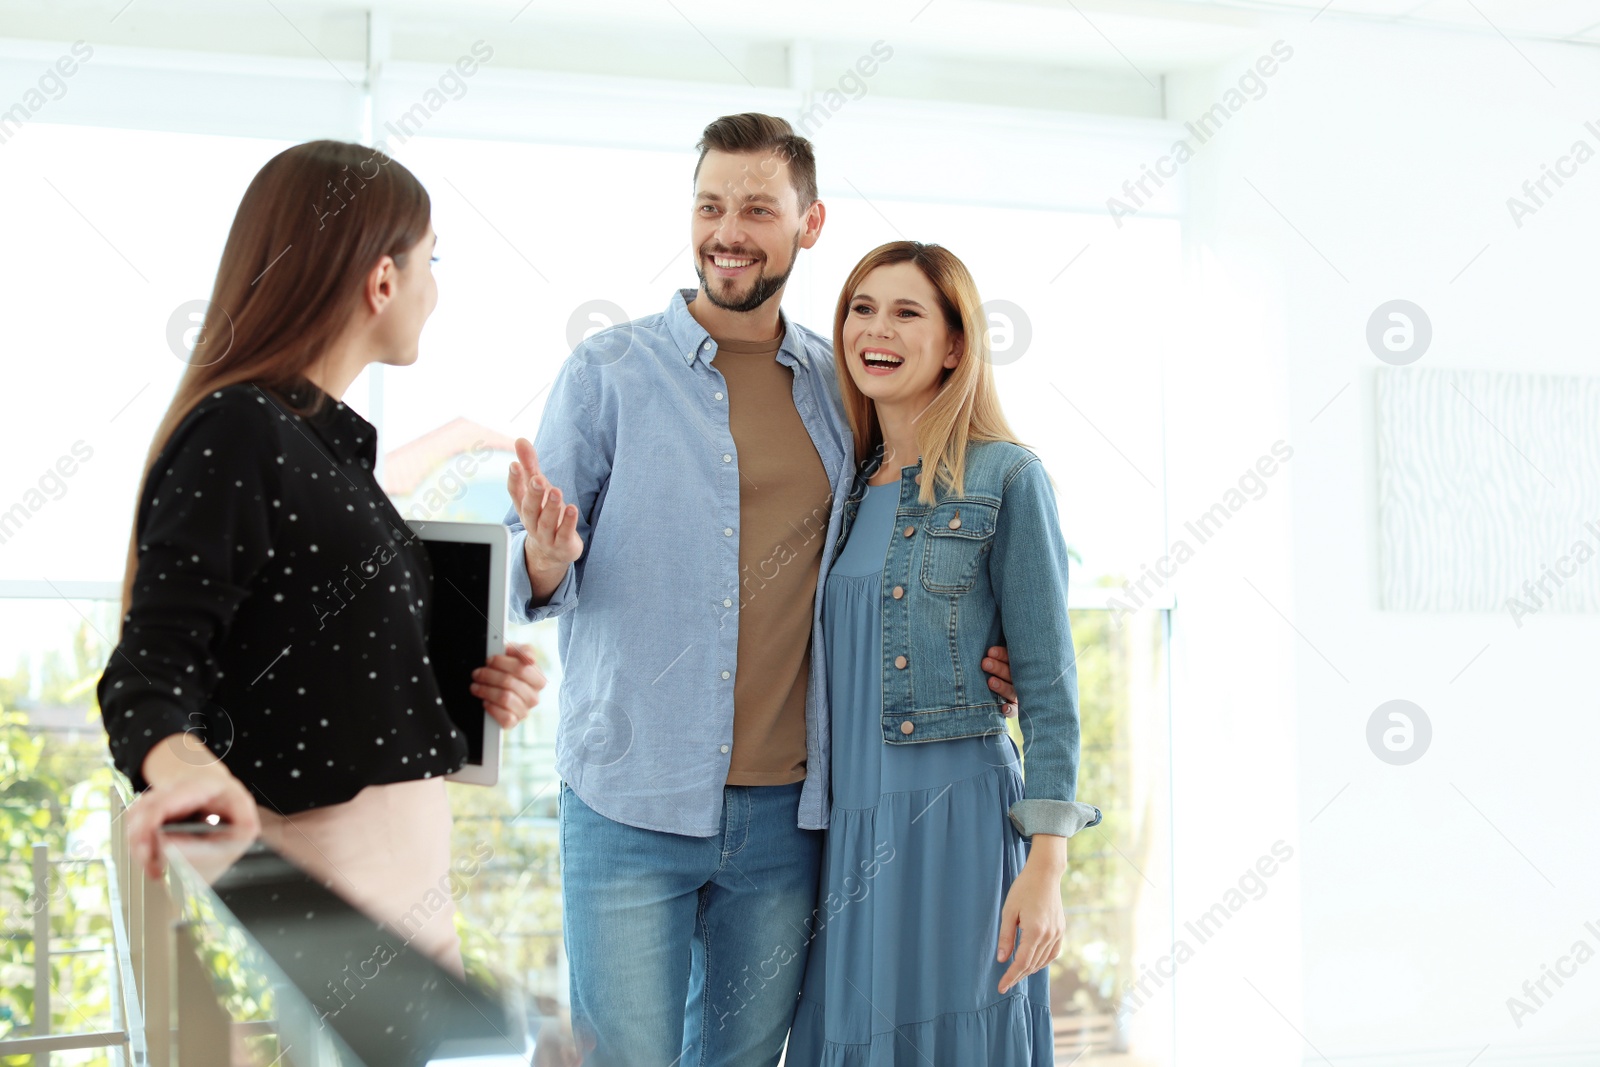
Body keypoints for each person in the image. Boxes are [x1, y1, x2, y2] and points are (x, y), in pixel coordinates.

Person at [503, 114, 1020, 1066]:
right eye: (709, 205)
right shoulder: (608, 372)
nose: (726, 230)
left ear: (808, 224)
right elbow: (530, 576)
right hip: (629, 801)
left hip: (790, 818)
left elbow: (908, 530)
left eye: (755, 208)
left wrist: (985, 645)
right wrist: (542, 554)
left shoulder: (843, 382)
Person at [99, 140, 547, 971]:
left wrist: (466, 685)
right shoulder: (244, 432)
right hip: (339, 904)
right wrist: (186, 772)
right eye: (431, 261)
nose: (434, 289)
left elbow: (317, 657)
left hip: (400, 896)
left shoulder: (325, 452)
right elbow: (145, 674)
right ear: (383, 279)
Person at [785, 241, 1103, 1065]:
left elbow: (1048, 685)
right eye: (861, 307)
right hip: (847, 827)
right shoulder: (846, 485)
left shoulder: (1007, 477)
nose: (875, 329)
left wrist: (1047, 865)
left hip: (958, 821)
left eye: (905, 310)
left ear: (956, 343)